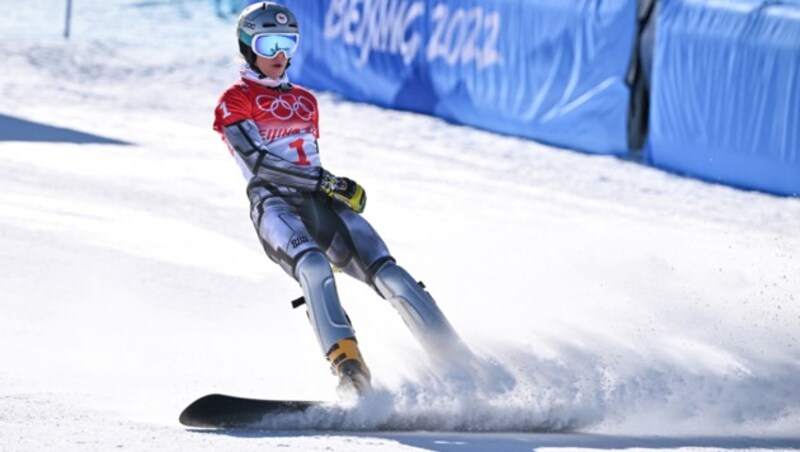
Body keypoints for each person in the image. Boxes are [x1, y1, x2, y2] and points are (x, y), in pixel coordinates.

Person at [212, 2, 466, 396]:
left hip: (320, 201)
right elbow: (260, 164)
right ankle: (351, 371)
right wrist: (327, 181)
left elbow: (306, 159)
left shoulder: (305, 100)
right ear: (247, 46)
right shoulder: (235, 99)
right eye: (269, 43)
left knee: (390, 273)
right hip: (273, 204)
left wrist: (329, 188)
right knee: (314, 267)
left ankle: (458, 362)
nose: (280, 55)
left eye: (288, 43)